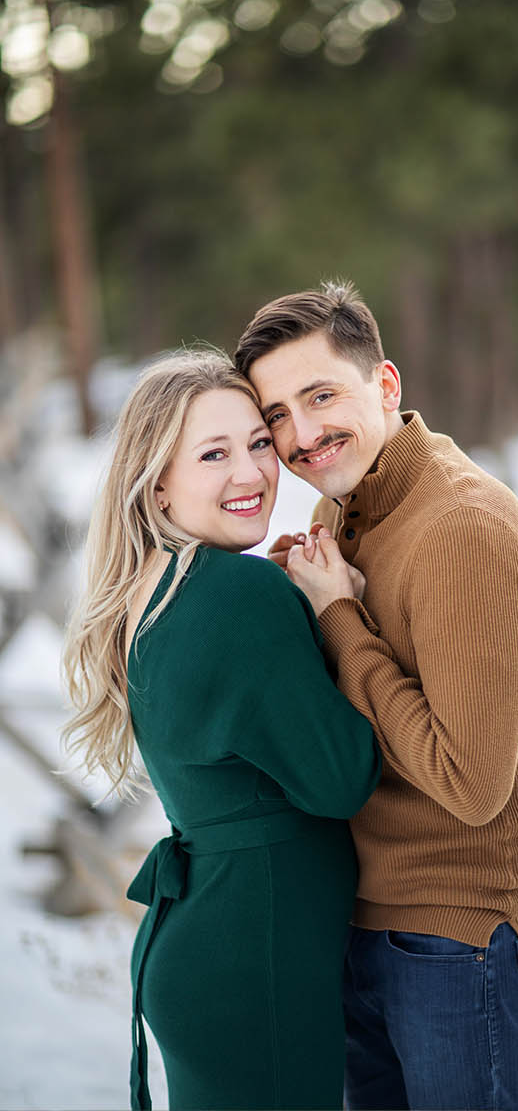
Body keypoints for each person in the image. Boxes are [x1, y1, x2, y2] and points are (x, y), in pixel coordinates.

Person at [234, 282, 518, 1111]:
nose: (301, 436)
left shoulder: (462, 528)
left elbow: (470, 783)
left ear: (385, 385)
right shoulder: (354, 513)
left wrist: (339, 617)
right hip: (367, 916)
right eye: (277, 415)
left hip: (459, 937)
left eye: (321, 396)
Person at [57, 350, 381, 1109]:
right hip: (256, 969)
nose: (252, 473)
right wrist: (338, 612)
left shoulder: (151, 591)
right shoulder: (239, 594)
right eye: (214, 454)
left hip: (209, 952)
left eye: (259, 444)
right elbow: (342, 779)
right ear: (157, 479)